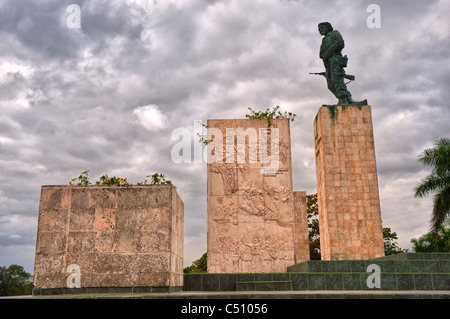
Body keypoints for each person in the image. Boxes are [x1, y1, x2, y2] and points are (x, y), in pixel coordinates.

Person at [318, 22, 355, 105]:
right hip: (327, 62)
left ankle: (344, 99)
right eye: (319, 29)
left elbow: (340, 43)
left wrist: (327, 53)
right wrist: (325, 55)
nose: (320, 30)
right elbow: (321, 54)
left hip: (336, 59)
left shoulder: (335, 33)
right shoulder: (324, 40)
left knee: (336, 79)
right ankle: (346, 98)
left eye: (322, 28)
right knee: (330, 84)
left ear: (328, 27)